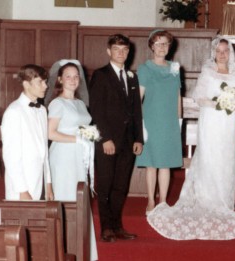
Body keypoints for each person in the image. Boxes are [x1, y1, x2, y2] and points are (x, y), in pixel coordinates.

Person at [147, 37, 235, 240]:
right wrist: (218, 101)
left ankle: (223, 202)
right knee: (209, 158)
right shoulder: (208, 71)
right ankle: (205, 200)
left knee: (226, 160)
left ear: (230, 53)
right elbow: (198, 97)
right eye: (219, 51)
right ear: (214, 53)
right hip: (212, 119)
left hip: (228, 123)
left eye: (226, 51)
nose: (222, 54)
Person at [89, 34, 144, 243]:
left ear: (128, 52)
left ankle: (117, 226)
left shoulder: (132, 76)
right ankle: (106, 228)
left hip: (128, 142)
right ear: (108, 51)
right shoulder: (101, 75)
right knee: (105, 185)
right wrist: (105, 139)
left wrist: (138, 138)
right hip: (108, 141)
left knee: (121, 186)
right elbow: (96, 110)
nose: (121, 53)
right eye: (117, 49)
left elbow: (136, 110)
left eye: (125, 50)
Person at [47, 61, 98, 260]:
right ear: (60, 79)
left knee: (80, 198)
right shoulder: (57, 103)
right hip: (63, 157)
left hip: (79, 156)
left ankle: (82, 249)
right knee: (67, 198)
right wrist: (76, 139)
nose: (73, 80)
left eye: (76, 76)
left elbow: (82, 126)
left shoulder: (79, 103)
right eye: (68, 76)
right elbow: (51, 133)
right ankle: (63, 250)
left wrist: (90, 135)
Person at [135, 29, 183, 214]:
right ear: (152, 47)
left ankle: (163, 201)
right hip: (151, 121)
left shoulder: (175, 68)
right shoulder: (145, 68)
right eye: (158, 44)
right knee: (152, 163)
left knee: (166, 163)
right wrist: (140, 125)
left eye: (165, 43)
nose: (162, 47)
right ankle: (150, 201)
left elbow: (178, 96)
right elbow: (138, 98)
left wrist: (179, 121)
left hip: (170, 122)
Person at [1, 64, 54, 201]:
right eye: (40, 82)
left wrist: (48, 184)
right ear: (26, 84)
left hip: (40, 181)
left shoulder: (42, 110)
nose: (45, 86)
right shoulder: (14, 112)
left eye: (45, 82)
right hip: (23, 185)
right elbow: (11, 156)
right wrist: (22, 190)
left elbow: (44, 152)